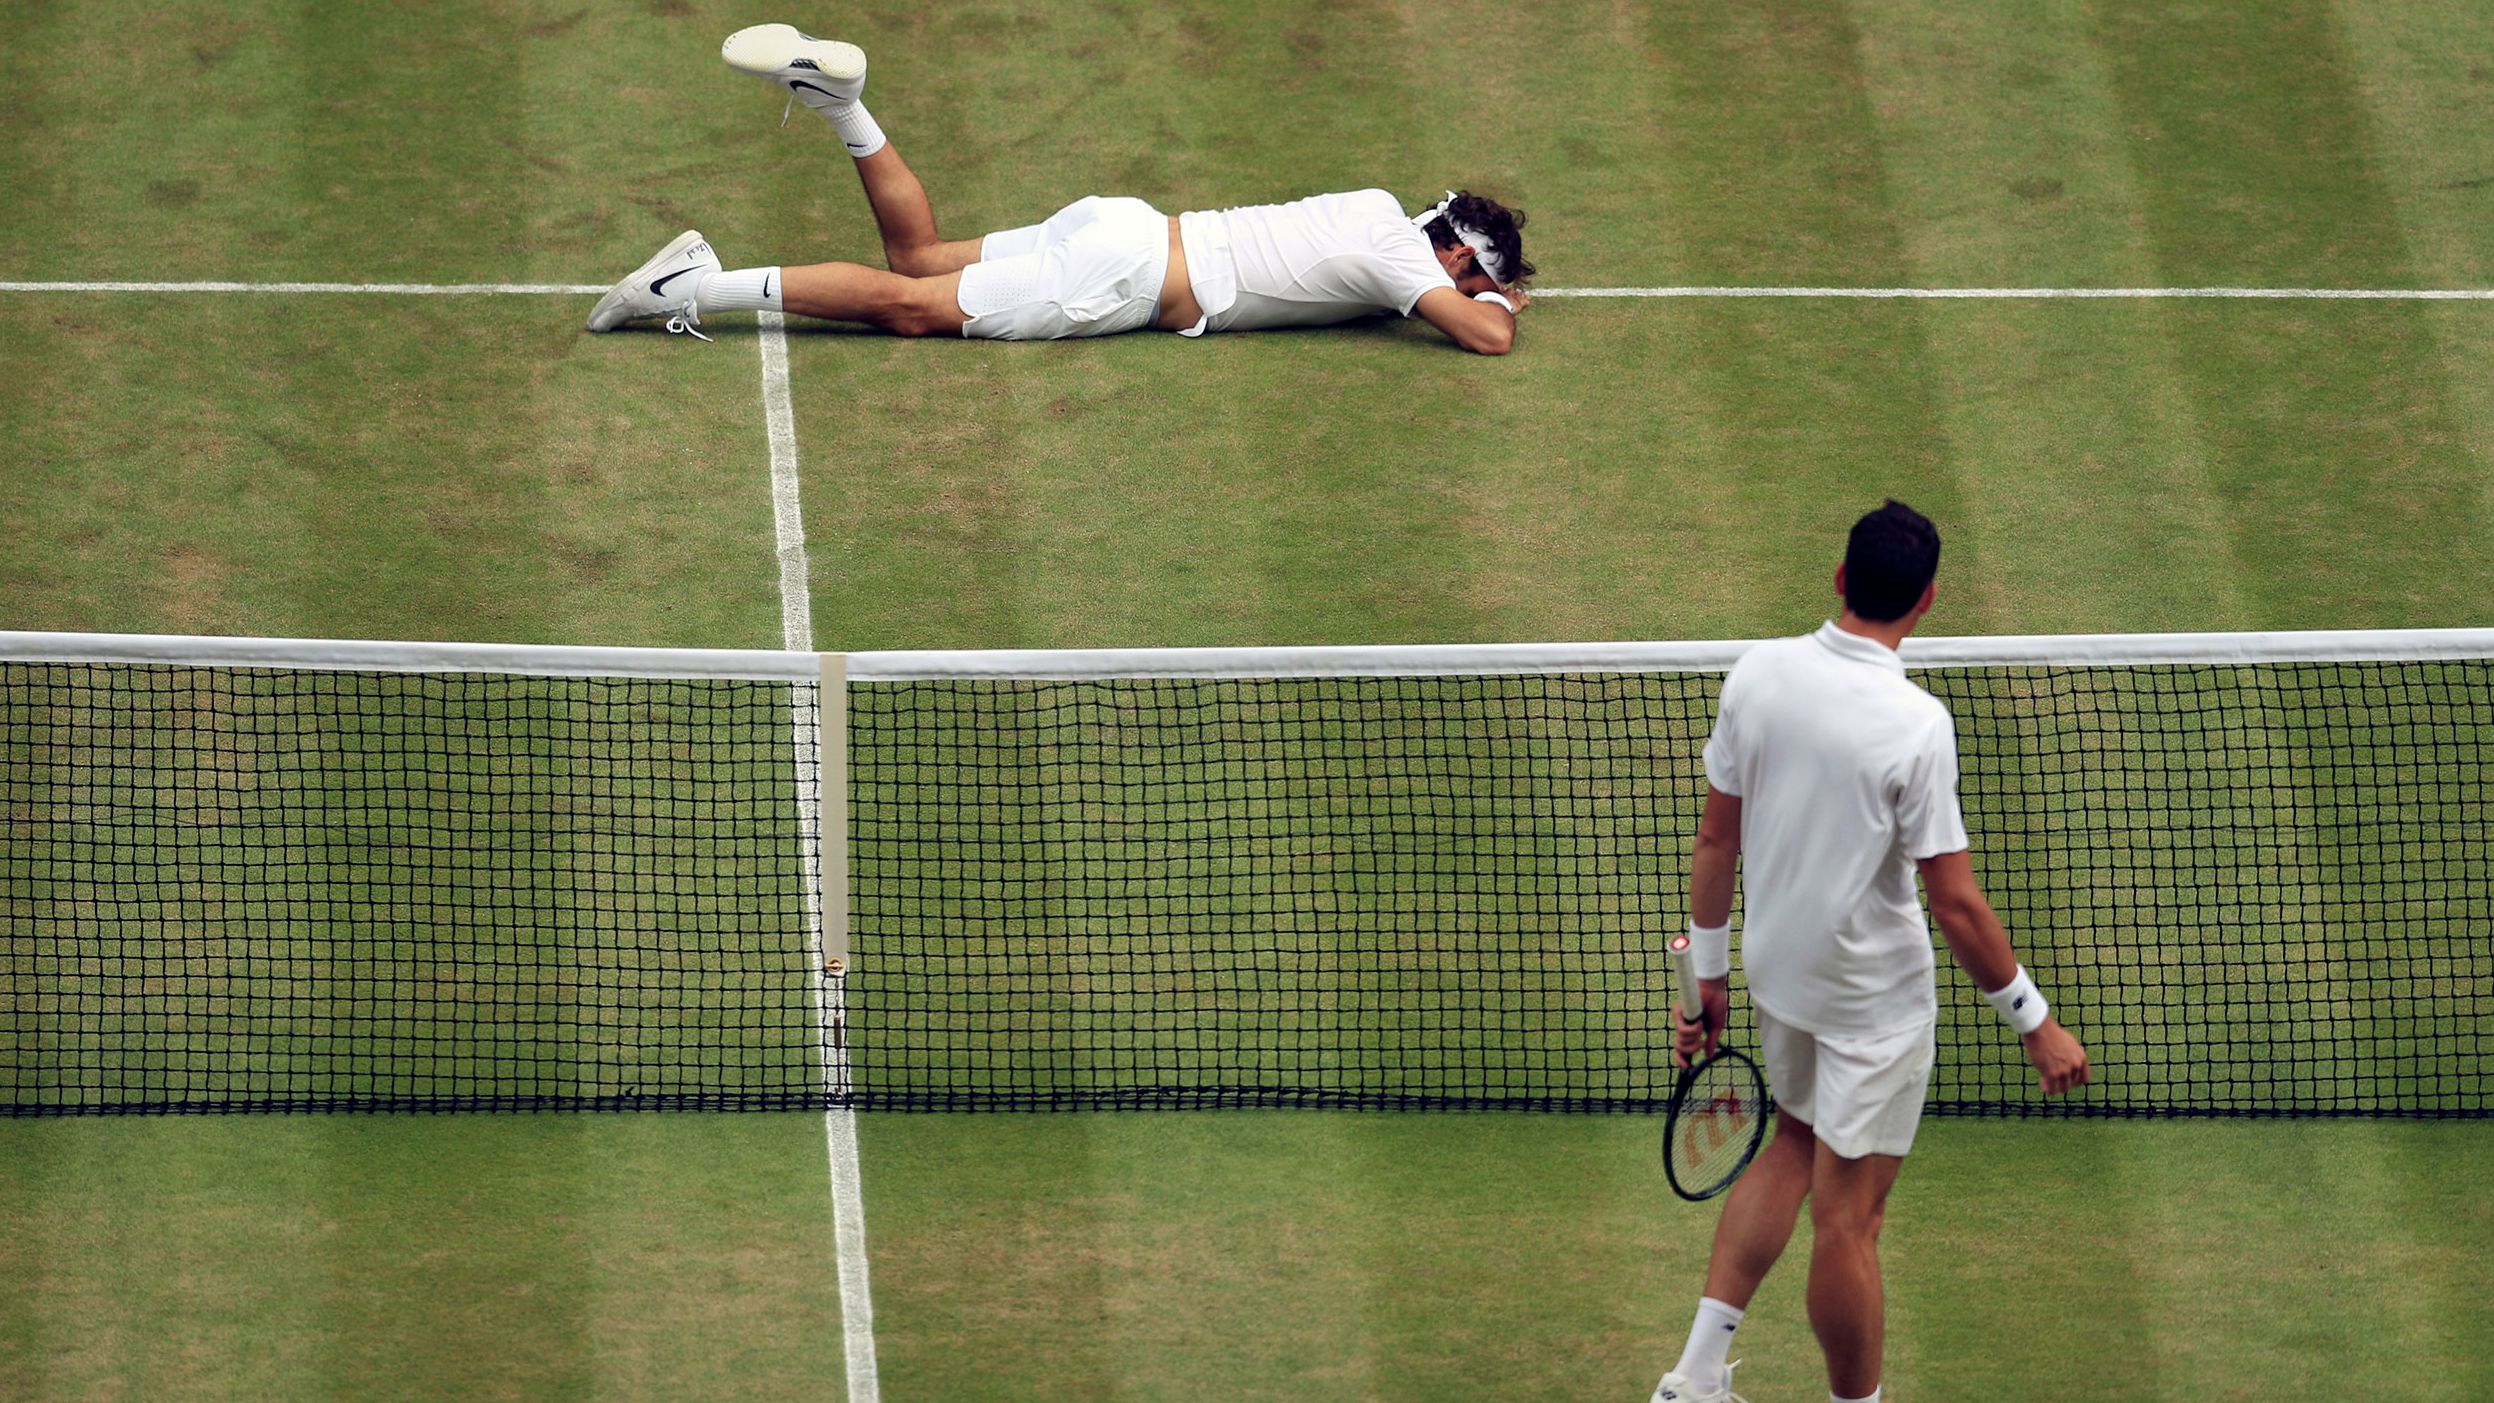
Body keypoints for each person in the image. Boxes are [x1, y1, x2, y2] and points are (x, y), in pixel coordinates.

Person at [1651, 501, 2091, 1403]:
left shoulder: (1757, 675)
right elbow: (1956, 904)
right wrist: (2034, 1021)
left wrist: (1706, 977)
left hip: (1781, 975)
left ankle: (1693, 1380)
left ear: (1841, 579)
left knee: (1791, 1141)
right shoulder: (1916, 724)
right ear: (1926, 601)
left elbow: (1714, 843)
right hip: (1871, 1006)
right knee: (1848, 1221)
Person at [587, 25, 1533, 354]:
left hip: (1121, 223)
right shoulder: (1407, 262)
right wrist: (1498, 303)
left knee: (917, 258)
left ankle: (843, 108)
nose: (1466, 288)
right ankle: (690, 287)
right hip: (1119, 280)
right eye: (1472, 274)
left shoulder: (1375, 209)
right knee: (913, 307)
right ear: (1457, 254)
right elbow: (1484, 336)